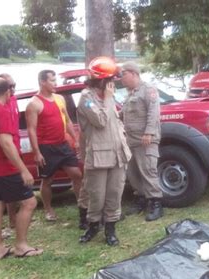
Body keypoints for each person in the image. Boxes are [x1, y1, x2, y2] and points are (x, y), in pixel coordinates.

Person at [0, 78, 42, 259]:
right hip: (3, 168)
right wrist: (23, 170)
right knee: (29, 202)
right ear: (7, 92)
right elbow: (6, 143)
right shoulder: (0, 111)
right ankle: (21, 245)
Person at [76, 56, 131, 245]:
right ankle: (92, 226)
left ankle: (110, 229)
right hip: (99, 156)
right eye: (110, 80)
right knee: (97, 195)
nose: (113, 83)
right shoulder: (87, 98)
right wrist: (108, 99)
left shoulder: (109, 96)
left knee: (115, 193)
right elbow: (100, 121)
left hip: (118, 154)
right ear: (101, 80)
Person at [25, 70, 82, 222]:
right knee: (48, 180)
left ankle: (82, 204)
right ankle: (48, 209)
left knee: (77, 174)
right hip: (46, 148)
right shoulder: (34, 103)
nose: (55, 83)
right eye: (52, 80)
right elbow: (31, 129)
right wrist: (37, 152)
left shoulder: (59, 98)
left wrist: (74, 139)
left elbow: (68, 121)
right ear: (42, 82)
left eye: (55, 80)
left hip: (62, 144)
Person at [120, 62, 164, 221]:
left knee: (148, 171)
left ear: (133, 73)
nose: (121, 78)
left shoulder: (148, 90)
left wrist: (149, 133)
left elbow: (154, 113)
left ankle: (156, 203)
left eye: (123, 74)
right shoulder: (129, 94)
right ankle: (141, 199)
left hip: (145, 139)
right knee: (133, 173)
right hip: (131, 140)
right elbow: (124, 114)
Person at [0, 73, 19, 238]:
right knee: (3, 194)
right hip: (5, 153)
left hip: (15, 148)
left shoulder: (14, 99)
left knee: (13, 192)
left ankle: (13, 221)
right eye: (10, 86)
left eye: (14, 85)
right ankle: (6, 225)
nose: (13, 89)